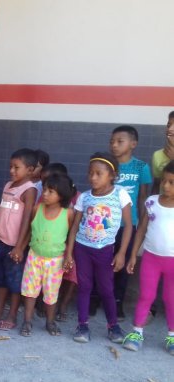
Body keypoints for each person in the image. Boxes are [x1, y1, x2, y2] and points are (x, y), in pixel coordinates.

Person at [64, 152, 132, 344]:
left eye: (98, 173)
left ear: (112, 175)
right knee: (84, 287)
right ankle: (82, 325)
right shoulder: (84, 197)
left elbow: (128, 226)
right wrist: (69, 252)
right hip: (82, 248)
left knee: (106, 289)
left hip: (104, 250)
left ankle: (113, 326)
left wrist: (121, 253)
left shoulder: (120, 194)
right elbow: (75, 226)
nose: (93, 177)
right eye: (90, 173)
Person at [0, 149, 37, 330]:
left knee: (14, 282)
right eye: (10, 167)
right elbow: (5, 208)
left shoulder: (29, 190)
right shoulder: (8, 185)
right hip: (2, 241)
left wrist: (20, 247)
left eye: (16, 167)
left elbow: (27, 220)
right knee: (0, 279)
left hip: (16, 246)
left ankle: (11, 316)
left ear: (30, 169)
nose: (12, 170)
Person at [123, 161, 174, 354]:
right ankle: (136, 333)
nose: (166, 186)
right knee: (146, 295)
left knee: (171, 299)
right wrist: (134, 255)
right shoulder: (152, 202)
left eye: (172, 182)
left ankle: (172, 336)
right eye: (164, 181)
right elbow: (142, 229)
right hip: (151, 259)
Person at [19, 173, 74, 337]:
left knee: (51, 294)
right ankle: (27, 321)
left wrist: (68, 256)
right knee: (29, 291)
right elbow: (30, 230)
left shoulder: (68, 214)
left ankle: (50, 322)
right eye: (45, 190)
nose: (45, 194)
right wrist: (20, 249)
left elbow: (71, 235)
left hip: (55, 261)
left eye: (51, 191)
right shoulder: (37, 209)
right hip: (34, 257)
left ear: (62, 194)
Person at [109, 125, 152, 320]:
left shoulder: (141, 168)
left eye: (120, 141)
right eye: (112, 141)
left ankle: (117, 301)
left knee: (124, 262)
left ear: (133, 144)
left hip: (129, 225)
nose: (114, 145)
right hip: (105, 223)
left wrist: (143, 225)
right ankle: (95, 297)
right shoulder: (107, 165)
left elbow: (143, 197)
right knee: (102, 261)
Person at [150, 111, 174, 194]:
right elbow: (157, 184)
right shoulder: (157, 155)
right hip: (163, 205)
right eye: (168, 125)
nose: (170, 129)